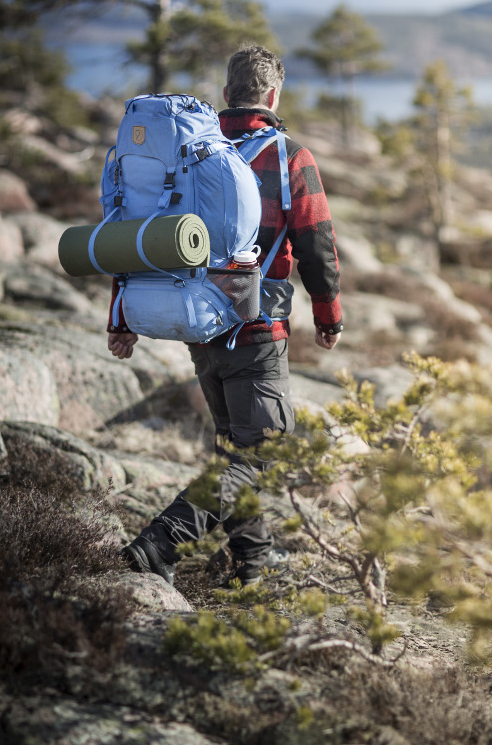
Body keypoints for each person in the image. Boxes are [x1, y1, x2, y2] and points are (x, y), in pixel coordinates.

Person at [108, 45, 343, 586]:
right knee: (261, 455)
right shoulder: (289, 156)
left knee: (234, 449)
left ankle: (251, 564)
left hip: (197, 322)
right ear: (273, 95)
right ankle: (158, 545)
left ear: (225, 95)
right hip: (257, 330)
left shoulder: (189, 153)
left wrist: (121, 316)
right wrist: (328, 315)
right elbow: (317, 244)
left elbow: (140, 233)